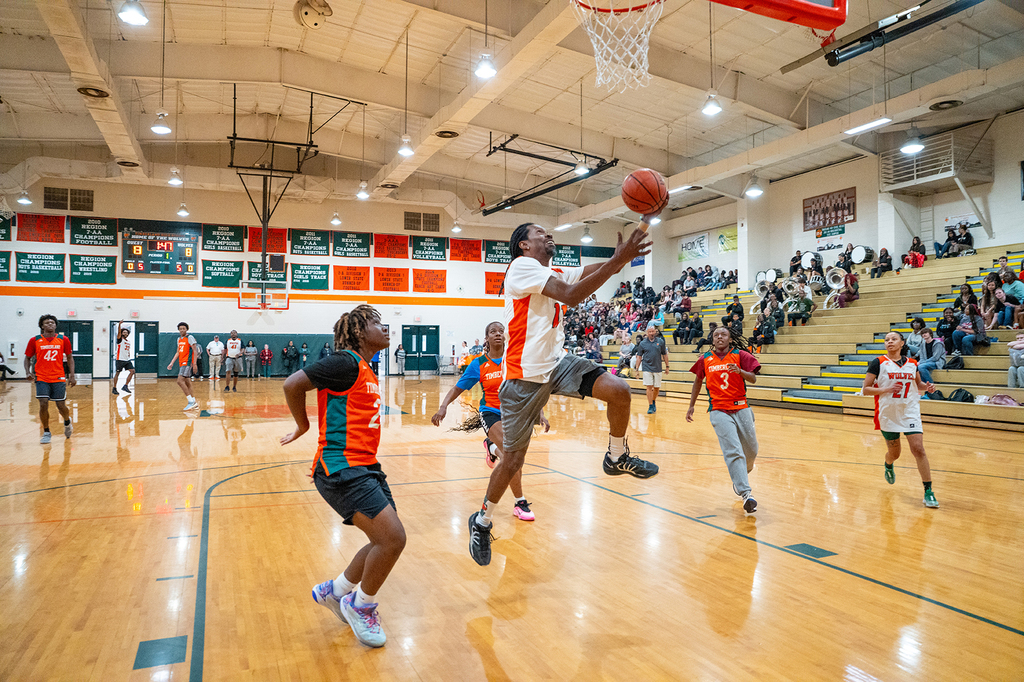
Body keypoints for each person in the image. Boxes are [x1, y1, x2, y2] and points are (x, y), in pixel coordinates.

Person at [467, 222, 658, 567]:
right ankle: (482, 521)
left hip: (555, 364)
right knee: (513, 460)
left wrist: (617, 258)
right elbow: (571, 294)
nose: (548, 234)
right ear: (524, 245)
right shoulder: (521, 268)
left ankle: (616, 456)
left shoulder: (549, 270)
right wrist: (618, 261)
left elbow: (588, 271)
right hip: (524, 378)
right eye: (540, 232)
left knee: (619, 390)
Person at [282, 305, 405, 649]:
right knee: (392, 540)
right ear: (360, 331)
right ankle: (359, 605)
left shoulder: (366, 367)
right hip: (340, 468)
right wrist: (303, 426)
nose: (386, 327)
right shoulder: (345, 362)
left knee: (383, 540)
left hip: (365, 466)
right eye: (378, 323)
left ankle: (335, 592)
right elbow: (293, 384)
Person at [432, 321, 545, 522]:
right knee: (512, 457)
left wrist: (540, 412)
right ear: (487, 338)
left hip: (513, 415)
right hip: (490, 413)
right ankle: (520, 502)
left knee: (512, 457)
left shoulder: (514, 360)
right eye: (493, 331)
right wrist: (443, 407)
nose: (498, 334)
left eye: (501, 331)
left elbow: (531, 387)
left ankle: (491, 447)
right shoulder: (478, 364)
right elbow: (457, 388)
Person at [860, 331, 939, 509]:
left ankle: (928, 491)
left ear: (902, 343)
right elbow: (865, 389)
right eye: (887, 340)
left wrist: (927, 387)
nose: (889, 342)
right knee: (895, 454)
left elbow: (917, 385)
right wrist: (886, 389)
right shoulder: (878, 363)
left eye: (893, 339)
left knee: (918, 449)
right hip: (888, 413)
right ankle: (888, 464)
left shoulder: (912, 363)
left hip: (909, 411)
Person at [686, 326, 761, 513]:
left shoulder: (741, 355)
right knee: (734, 450)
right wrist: (691, 405)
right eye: (716, 335)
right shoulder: (705, 359)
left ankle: (742, 473)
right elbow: (697, 382)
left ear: (730, 338)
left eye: (723, 334)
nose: (719, 337)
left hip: (742, 406)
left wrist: (739, 371)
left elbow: (753, 379)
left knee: (751, 450)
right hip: (718, 410)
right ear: (712, 339)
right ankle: (746, 493)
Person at [24, 314, 75, 444]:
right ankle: (46, 432)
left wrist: (72, 375)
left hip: (58, 377)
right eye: (47, 323)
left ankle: (67, 421)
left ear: (56, 325)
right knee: (43, 403)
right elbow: (27, 358)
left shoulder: (63, 339)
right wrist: (28, 372)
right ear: (42, 326)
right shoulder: (34, 340)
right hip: (41, 377)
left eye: (52, 322)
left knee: (61, 405)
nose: (50, 324)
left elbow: (70, 358)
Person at [636, 322, 670, 414]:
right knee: (649, 386)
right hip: (647, 367)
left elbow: (665, 354)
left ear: (655, 331)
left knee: (657, 388)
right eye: (649, 331)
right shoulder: (642, 343)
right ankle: (650, 405)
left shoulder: (660, 342)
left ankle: (653, 400)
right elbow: (639, 357)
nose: (651, 333)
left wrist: (667, 366)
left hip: (658, 367)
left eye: (653, 331)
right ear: (647, 332)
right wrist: (636, 369)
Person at [166, 322, 200, 410]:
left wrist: (195, 363)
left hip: (187, 362)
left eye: (183, 328)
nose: (182, 330)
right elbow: (178, 352)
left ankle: (191, 402)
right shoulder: (179, 339)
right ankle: (194, 402)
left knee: (179, 381)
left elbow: (195, 351)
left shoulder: (190, 337)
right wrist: (172, 362)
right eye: (180, 329)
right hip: (181, 362)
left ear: (186, 329)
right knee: (187, 382)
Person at [111, 319, 135, 395]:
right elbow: (118, 333)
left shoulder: (128, 341)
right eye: (123, 332)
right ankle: (114, 388)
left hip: (127, 359)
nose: (125, 333)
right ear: (121, 333)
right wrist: (119, 325)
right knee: (118, 373)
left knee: (132, 371)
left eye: (126, 332)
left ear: (128, 334)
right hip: (120, 359)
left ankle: (125, 386)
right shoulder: (119, 339)